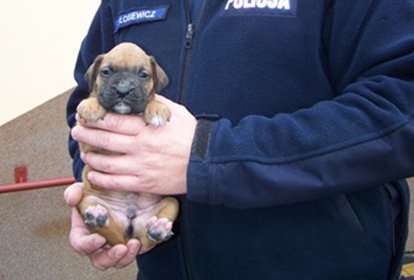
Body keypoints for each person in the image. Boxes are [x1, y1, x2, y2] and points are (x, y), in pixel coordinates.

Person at [65, 1, 414, 279]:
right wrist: (104, 185)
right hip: (164, 264)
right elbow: (84, 99)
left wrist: (211, 154)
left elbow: (401, 106)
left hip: (317, 264)